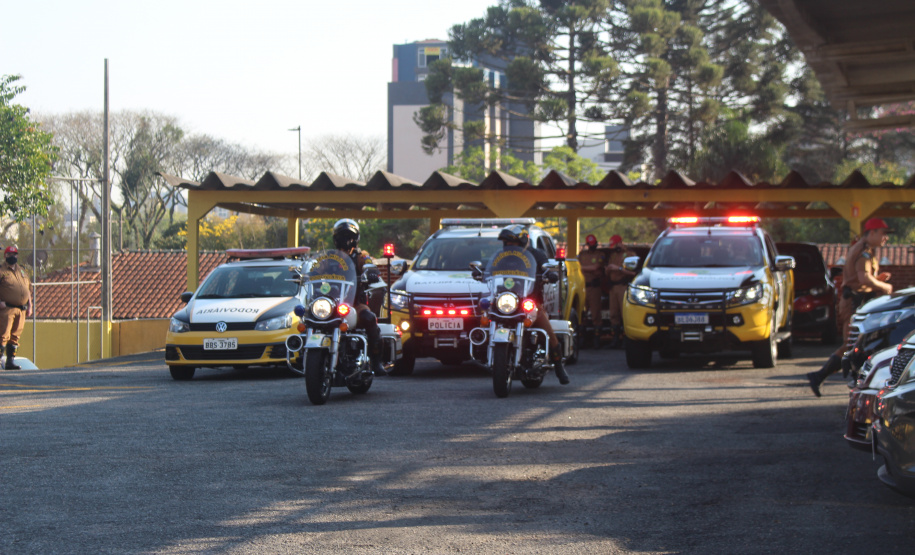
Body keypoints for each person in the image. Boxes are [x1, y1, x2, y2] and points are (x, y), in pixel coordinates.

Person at [807, 218, 893, 397]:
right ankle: (822, 377)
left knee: (855, 345)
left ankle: (824, 377)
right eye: (883, 233)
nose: (885, 238)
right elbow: (864, 280)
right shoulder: (864, 251)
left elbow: (864, 278)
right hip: (855, 302)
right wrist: (885, 287)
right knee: (852, 345)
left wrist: (878, 280)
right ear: (873, 232)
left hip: (857, 301)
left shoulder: (864, 249)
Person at [497, 224, 570, 385]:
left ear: (523, 241)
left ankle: (559, 367)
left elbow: (545, 266)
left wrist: (549, 274)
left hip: (531, 302)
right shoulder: (501, 257)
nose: (509, 246)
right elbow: (491, 269)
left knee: (548, 332)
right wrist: (480, 273)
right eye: (507, 243)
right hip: (508, 302)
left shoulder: (537, 254)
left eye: (513, 243)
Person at [331, 219, 387, 376]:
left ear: (355, 238)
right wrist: (307, 274)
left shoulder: (362, 256)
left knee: (369, 318)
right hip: (331, 304)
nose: (346, 240)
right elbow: (316, 270)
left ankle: (376, 361)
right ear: (335, 238)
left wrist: (372, 272)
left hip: (355, 303)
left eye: (349, 236)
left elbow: (370, 265)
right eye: (342, 236)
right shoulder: (329, 258)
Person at [0, 245, 32, 370]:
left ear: (17, 256)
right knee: (3, 335)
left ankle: (10, 362)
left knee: (15, 336)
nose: (12, 257)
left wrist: (30, 305)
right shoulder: (2, 270)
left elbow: (28, 288)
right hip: (7, 308)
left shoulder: (22, 271)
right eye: (9, 255)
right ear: (5, 256)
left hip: (21, 309)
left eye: (14, 254)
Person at [605, 235, 636, 349]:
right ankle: (615, 338)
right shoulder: (613, 255)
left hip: (623, 286)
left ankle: (626, 338)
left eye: (616, 245)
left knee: (625, 314)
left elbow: (634, 273)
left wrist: (617, 268)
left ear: (621, 243)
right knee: (614, 314)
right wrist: (608, 269)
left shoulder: (630, 255)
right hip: (613, 287)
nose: (614, 248)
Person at [579, 234, 607, 348]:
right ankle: (582, 338)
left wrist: (584, 268)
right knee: (582, 313)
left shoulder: (600, 255)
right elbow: (577, 267)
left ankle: (597, 340)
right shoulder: (582, 255)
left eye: (593, 244)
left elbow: (596, 267)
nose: (592, 246)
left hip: (594, 288)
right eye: (590, 244)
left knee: (596, 314)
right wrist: (589, 269)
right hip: (583, 287)